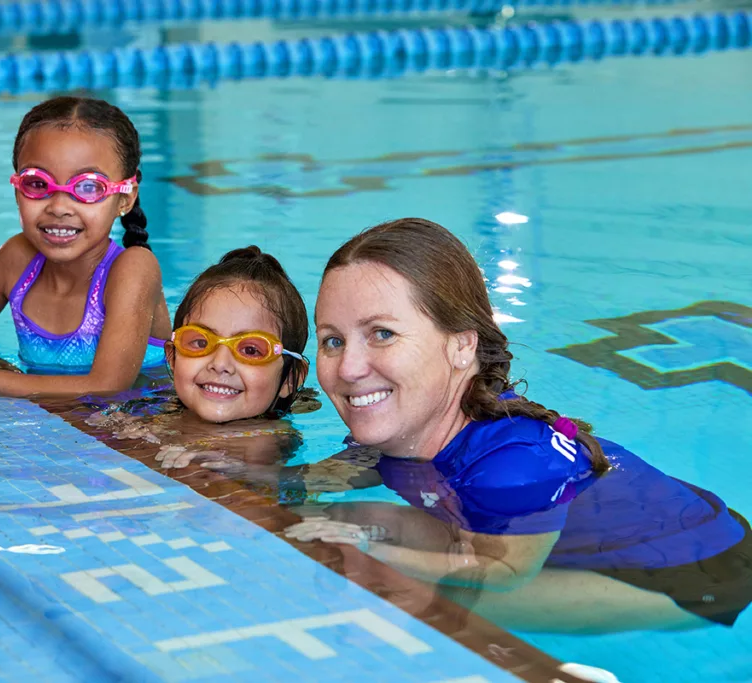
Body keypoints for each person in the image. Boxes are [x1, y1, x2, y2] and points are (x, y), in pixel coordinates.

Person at [282, 218, 752, 633]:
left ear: (462, 346)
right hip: (592, 535)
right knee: (344, 524)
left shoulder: (516, 464)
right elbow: (302, 487)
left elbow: (500, 573)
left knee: (401, 585)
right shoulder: (411, 428)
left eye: (382, 333)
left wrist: (371, 549)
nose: (347, 369)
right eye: (333, 341)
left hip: (696, 571)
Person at [0, 96, 170, 397]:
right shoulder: (17, 260)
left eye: (87, 187)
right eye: (37, 183)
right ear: (17, 188)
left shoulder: (135, 268)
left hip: (140, 427)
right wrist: (6, 378)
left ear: (125, 198)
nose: (58, 207)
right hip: (53, 424)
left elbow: (107, 386)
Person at [81, 247, 313, 472]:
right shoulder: (161, 413)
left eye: (251, 350)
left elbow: (265, 477)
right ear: (172, 357)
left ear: (290, 379)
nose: (220, 364)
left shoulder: (270, 437)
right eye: (201, 342)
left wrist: (235, 467)